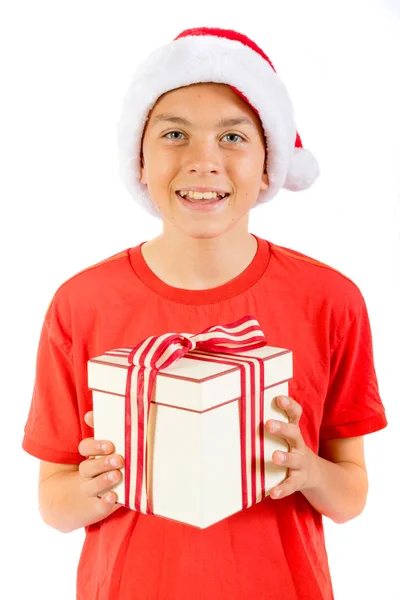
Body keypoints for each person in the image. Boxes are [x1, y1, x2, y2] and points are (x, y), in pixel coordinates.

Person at [22, 27, 388, 600]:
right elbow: (53, 504)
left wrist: (308, 471)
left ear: (269, 164)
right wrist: (102, 485)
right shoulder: (81, 303)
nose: (203, 161)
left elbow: (353, 497)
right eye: (174, 134)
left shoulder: (330, 300)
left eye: (233, 137)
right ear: (138, 161)